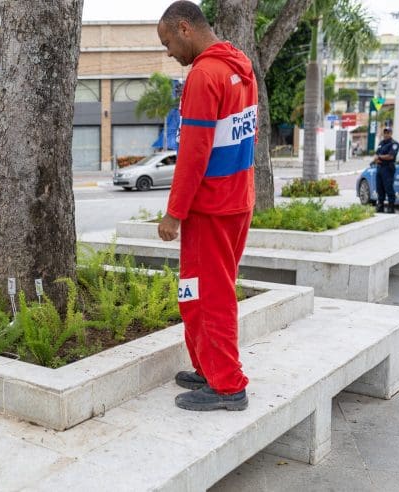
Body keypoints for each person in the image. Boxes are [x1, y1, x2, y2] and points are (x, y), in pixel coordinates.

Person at [156, 0, 256, 411]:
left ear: (184, 28)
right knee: (202, 292)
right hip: (236, 200)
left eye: (167, 42)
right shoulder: (240, 66)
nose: (168, 53)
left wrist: (174, 212)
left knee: (206, 295)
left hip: (209, 209)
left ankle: (228, 385)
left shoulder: (204, 75)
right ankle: (210, 368)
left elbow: (194, 153)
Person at [374, 127, 399, 213]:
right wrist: (376, 159)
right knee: (379, 188)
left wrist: (380, 157)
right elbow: (376, 154)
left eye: (388, 133)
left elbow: (391, 156)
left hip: (388, 168)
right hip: (379, 168)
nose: (386, 134)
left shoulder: (394, 144)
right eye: (385, 133)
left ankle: (391, 206)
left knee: (388, 187)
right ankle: (380, 205)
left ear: (391, 134)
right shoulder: (381, 143)